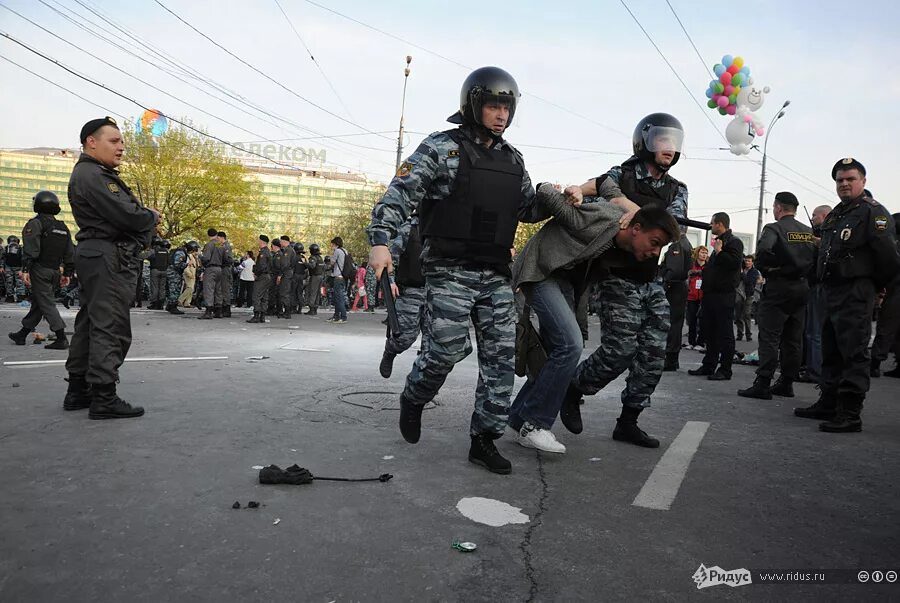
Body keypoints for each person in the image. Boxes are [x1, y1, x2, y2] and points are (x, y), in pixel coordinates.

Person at [367, 66, 549, 474]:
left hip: (496, 274)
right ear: (473, 104)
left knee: (501, 359)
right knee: (445, 350)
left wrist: (556, 198)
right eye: (493, 105)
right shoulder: (441, 149)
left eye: (507, 107)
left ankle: (483, 439)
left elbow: (527, 208)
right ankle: (414, 396)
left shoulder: (513, 159)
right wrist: (381, 240)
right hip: (449, 271)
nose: (501, 115)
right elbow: (400, 194)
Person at [511, 188, 680, 453]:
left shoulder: (626, 235)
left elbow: (612, 189)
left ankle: (519, 417)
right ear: (636, 229)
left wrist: (630, 205)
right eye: (654, 242)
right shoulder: (602, 221)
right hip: (541, 272)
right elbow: (549, 196)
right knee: (570, 345)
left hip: (564, 281)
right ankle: (534, 424)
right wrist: (566, 191)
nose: (655, 251)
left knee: (557, 354)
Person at [562, 113, 689, 447]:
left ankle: (628, 421)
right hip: (615, 276)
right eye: (663, 140)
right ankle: (574, 389)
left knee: (653, 353)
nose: (669, 148)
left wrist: (629, 208)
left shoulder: (678, 189)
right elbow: (597, 185)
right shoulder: (624, 174)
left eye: (674, 142)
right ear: (645, 141)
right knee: (620, 349)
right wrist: (581, 189)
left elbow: (670, 226)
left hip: (651, 280)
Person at [62, 116, 159, 418]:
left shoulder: (90, 173)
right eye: (114, 141)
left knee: (90, 323)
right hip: (109, 255)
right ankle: (104, 396)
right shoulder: (94, 175)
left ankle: (78, 389)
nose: (121, 148)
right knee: (110, 325)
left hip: (97, 253)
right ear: (91, 141)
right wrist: (150, 216)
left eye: (121, 142)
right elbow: (128, 216)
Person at [795, 159, 900, 432]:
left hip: (856, 290)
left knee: (853, 351)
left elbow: (888, 256)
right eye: (840, 180)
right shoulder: (838, 214)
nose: (844, 183)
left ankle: (851, 412)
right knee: (831, 348)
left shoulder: (873, 213)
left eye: (850, 179)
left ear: (863, 181)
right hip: (832, 289)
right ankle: (829, 402)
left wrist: (874, 285)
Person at [738, 192, 816, 400]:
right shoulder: (808, 231)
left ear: (778, 207)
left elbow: (763, 251)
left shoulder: (774, 228)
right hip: (802, 288)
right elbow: (818, 256)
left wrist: (772, 270)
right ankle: (787, 382)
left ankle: (763, 383)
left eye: (774, 207)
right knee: (793, 338)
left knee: (770, 337)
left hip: (779, 288)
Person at [8, 191, 75, 349]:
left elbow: (32, 250)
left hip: (40, 269)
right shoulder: (63, 227)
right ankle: (22, 334)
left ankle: (60, 337)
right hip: (55, 272)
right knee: (40, 303)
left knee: (46, 304)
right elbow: (70, 253)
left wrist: (25, 269)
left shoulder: (35, 223)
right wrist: (67, 273)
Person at [688, 212, 744, 380]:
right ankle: (709, 365)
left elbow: (734, 263)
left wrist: (719, 252)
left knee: (724, 332)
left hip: (723, 295)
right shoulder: (720, 242)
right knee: (710, 331)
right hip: (711, 295)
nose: (711, 226)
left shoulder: (734, 242)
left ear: (720, 224)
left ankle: (725, 369)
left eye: (712, 223)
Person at [380, 217, 426, 378]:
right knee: (404, 338)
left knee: (435, 346)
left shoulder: (445, 228)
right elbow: (390, 259)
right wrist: (391, 282)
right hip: (411, 291)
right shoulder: (409, 229)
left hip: (437, 292)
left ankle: (423, 381)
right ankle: (390, 351)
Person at [870, 213, 900, 377]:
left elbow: (888, 265)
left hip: (894, 290)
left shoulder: (894, 245)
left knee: (886, 327)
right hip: (894, 288)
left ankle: (875, 363)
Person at [660, 233, 693, 370]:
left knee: (673, 324)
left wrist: (666, 282)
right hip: (679, 288)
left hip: (675, 288)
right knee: (676, 324)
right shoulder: (685, 244)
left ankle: (671, 358)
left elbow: (674, 270)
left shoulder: (678, 245)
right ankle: (672, 358)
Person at [198, 228, 224, 319]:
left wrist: (201, 258)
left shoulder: (209, 245)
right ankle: (219, 310)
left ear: (208, 235)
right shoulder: (220, 244)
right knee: (218, 290)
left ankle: (208, 311)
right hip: (220, 269)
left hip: (210, 268)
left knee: (209, 289)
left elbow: (206, 258)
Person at [686, 246, 708, 349]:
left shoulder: (708, 267)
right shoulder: (691, 266)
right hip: (692, 296)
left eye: (705, 253)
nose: (704, 254)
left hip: (704, 297)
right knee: (692, 320)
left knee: (703, 320)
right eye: (702, 252)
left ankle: (700, 342)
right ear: (697, 253)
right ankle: (691, 342)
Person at [735, 256, 760, 341]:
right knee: (738, 315)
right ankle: (739, 334)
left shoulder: (754, 272)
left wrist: (742, 274)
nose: (747, 263)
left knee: (746, 314)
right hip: (739, 294)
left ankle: (748, 334)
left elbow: (750, 282)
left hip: (749, 295)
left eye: (749, 261)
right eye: (746, 261)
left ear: (752, 262)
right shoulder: (740, 270)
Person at [247, 236, 271, 323]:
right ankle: (262, 316)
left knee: (256, 295)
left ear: (261, 241)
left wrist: (256, 273)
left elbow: (261, 266)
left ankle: (256, 315)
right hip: (267, 276)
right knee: (264, 297)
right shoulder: (267, 251)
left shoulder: (263, 253)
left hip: (262, 277)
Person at [327, 236, 349, 324]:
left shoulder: (337, 251)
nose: (331, 246)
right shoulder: (345, 251)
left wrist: (331, 259)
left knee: (339, 298)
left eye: (332, 244)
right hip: (344, 276)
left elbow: (332, 262)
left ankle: (343, 317)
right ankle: (336, 316)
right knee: (338, 297)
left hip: (338, 277)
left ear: (335, 244)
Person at [146, 237, 169, 310]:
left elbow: (145, 256)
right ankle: (161, 304)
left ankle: (154, 303)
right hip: (165, 271)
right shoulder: (166, 251)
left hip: (155, 270)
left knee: (155, 287)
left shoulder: (153, 251)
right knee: (162, 288)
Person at [165, 242, 187, 315]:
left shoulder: (176, 251)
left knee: (171, 289)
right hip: (174, 273)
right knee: (175, 290)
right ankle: (173, 307)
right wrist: (187, 264)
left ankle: (170, 305)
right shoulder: (181, 253)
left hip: (171, 272)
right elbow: (177, 264)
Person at [3, 234, 26, 302]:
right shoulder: (21, 248)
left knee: (9, 282)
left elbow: (3, 258)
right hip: (18, 267)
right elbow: (23, 259)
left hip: (9, 267)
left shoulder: (6, 247)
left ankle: (10, 297)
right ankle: (20, 297)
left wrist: (2, 267)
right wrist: (23, 269)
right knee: (20, 282)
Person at [216, 231, 234, 318]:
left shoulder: (226, 246)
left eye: (218, 238)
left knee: (225, 289)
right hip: (222, 269)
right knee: (221, 289)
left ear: (221, 237)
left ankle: (227, 309)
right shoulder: (221, 246)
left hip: (225, 269)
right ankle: (223, 307)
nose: (217, 240)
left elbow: (229, 259)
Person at [304, 243, 324, 315]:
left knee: (312, 292)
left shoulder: (313, 258)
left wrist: (305, 263)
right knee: (317, 293)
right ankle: (315, 308)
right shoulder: (320, 258)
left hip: (315, 276)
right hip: (320, 276)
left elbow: (312, 266)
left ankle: (311, 308)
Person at [178, 240, 200, 308]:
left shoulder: (194, 257)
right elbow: (186, 266)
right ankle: (180, 300)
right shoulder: (189, 256)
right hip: (188, 274)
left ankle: (187, 302)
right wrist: (189, 274)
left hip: (192, 274)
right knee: (189, 288)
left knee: (192, 289)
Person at [292, 242, 308, 313]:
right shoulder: (303, 257)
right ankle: (300, 308)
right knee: (300, 292)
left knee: (293, 292)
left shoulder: (294, 257)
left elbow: (292, 267)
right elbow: (306, 268)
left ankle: (293, 308)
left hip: (295, 276)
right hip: (301, 276)